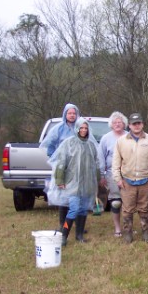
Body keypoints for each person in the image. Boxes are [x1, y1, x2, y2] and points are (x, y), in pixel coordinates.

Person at [41, 103, 102, 233]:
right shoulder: (59, 130)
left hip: (83, 175)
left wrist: (96, 178)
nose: (72, 115)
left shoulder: (85, 134)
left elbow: (94, 159)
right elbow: (51, 146)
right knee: (65, 200)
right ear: (65, 114)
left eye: (74, 113)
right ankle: (63, 227)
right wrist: (54, 159)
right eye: (69, 113)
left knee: (82, 204)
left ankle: (79, 230)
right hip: (66, 170)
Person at [49, 118, 100, 246]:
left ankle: (79, 235)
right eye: (81, 128)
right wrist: (59, 179)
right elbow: (61, 162)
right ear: (76, 128)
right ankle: (64, 236)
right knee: (74, 209)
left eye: (85, 128)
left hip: (87, 183)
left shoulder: (91, 145)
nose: (83, 130)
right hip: (72, 183)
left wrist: (97, 180)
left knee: (83, 209)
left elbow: (95, 164)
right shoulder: (69, 143)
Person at [112, 113, 148, 244]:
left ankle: (146, 234)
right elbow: (116, 162)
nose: (137, 126)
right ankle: (127, 234)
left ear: (142, 124)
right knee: (127, 209)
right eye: (134, 124)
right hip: (127, 181)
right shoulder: (121, 141)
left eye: (139, 123)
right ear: (129, 125)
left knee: (145, 209)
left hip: (146, 181)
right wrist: (118, 179)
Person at [98, 111, 128, 237]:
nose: (117, 124)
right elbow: (101, 158)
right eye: (115, 122)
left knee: (128, 203)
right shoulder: (106, 138)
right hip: (112, 174)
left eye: (119, 122)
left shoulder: (129, 136)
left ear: (124, 124)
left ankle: (128, 227)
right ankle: (117, 228)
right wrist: (102, 175)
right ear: (111, 124)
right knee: (116, 202)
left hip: (128, 174)